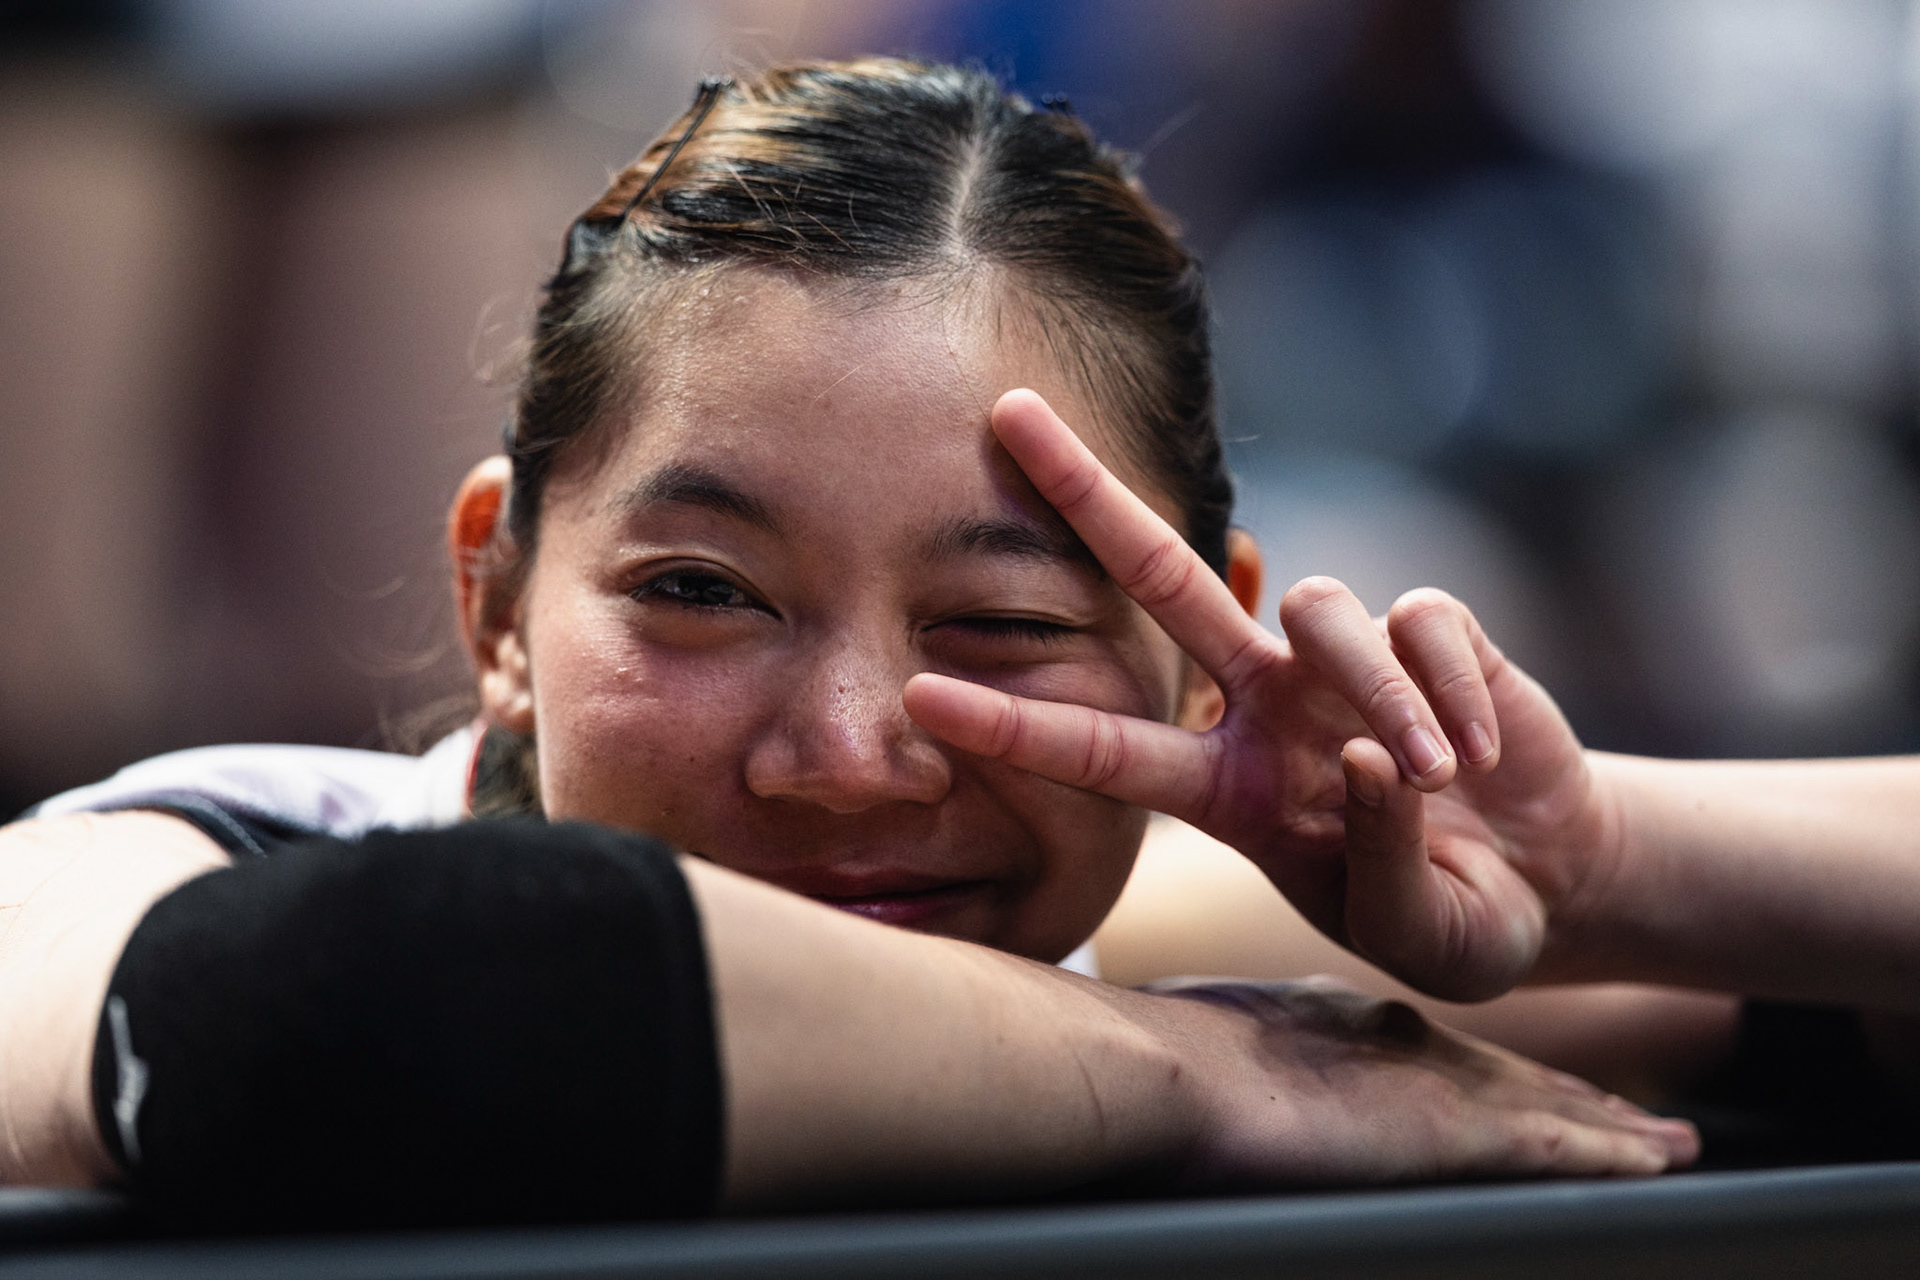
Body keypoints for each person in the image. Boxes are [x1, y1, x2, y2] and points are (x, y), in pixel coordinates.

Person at [0, 58, 1719, 1224]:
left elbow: (1797, 971)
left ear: (1200, 660)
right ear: (498, 602)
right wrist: (1213, 1074)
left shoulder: (1220, 931)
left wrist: (1592, 861)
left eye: (1000, 623)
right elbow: (375, 1011)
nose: (842, 751)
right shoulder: (158, 870)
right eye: (703, 592)